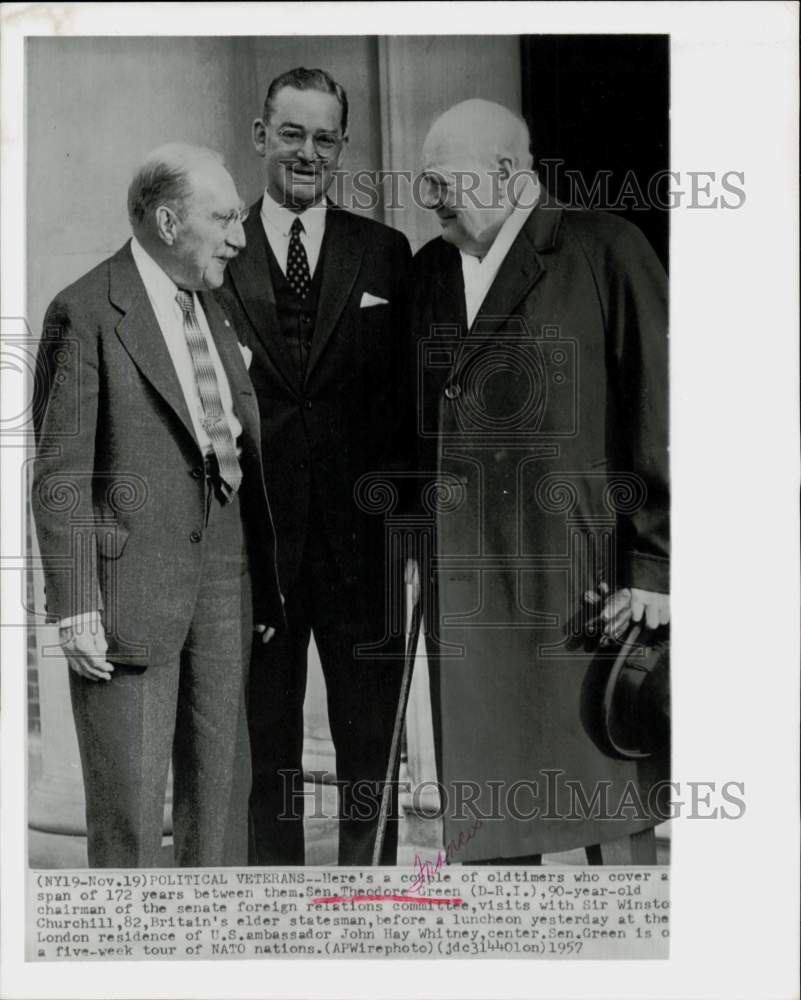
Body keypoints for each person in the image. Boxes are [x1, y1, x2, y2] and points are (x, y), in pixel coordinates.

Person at [407, 99, 670, 864]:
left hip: (584, 588)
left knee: (607, 807)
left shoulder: (603, 247)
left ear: (505, 173)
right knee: (490, 821)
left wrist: (657, 566)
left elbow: (661, 409)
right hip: (472, 591)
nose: (429, 200)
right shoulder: (429, 271)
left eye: (440, 180)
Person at [31, 143, 284, 867]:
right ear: (169, 222)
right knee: (131, 813)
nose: (239, 236)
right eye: (224, 218)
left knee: (221, 793)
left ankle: (210, 957)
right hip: (127, 594)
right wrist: (75, 604)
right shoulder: (83, 311)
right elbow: (59, 475)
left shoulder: (215, 305)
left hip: (224, 575)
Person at [218, 68, 412, 865]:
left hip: (360, 552)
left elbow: (406, 405)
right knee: (266, 742)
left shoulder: (385, 252)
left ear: (341, 148)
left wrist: (405, 534)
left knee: (372, 739)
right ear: (262, 137)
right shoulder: (217, 251)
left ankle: (370, 897)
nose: (306, 152)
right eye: (291, 133)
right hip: (255, 548)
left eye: (323, 137)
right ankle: (278, 912)